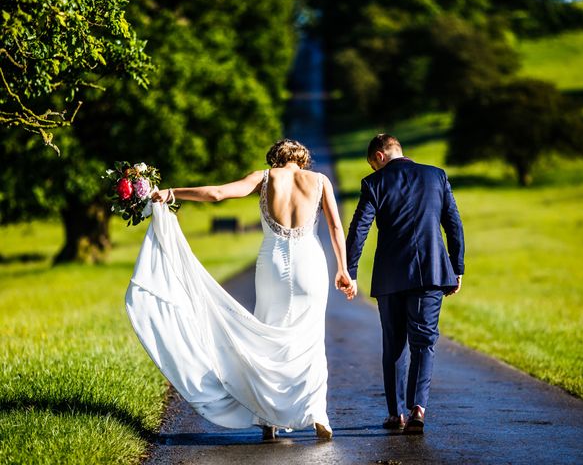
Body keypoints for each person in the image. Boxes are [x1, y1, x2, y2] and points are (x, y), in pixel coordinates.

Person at [126, 139, 355, 442]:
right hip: (309, 264)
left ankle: (268, 419)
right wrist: (343, 269)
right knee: (310, 338)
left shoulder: (264, 177)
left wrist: (172, 193)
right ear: (302, 160)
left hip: (272, 263)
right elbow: (336, 228)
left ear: (275, 159)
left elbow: (218, 193)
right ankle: (318, 416)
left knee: (268, 338)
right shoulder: (320, 181)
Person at [345, 133, 465, 435]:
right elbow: (453, 224)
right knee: (424, 341)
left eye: (374, 164)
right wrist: (456, 267)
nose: (375, 170)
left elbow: (359, 229)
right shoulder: (436, 176)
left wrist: (350, 270)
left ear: (379, 157)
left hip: (390, 275)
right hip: (431, 272)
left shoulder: (374, 183)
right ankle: (418, 409)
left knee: (394, 343)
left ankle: (396, 413)